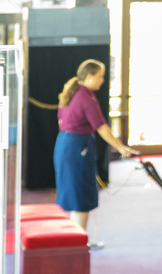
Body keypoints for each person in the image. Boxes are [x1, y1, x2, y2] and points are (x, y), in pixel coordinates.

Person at [54, 59, 137, 247]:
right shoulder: (86, 97)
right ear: (89, 76)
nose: (102, 80)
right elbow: (102, 128)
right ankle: (78, 244)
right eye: (100, 76)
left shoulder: (71, 92)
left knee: (76, 197)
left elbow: (60, 122)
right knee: (81, 198)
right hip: (77, 148)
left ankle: (77, 240)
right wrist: (122, 148)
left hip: (65, 145)